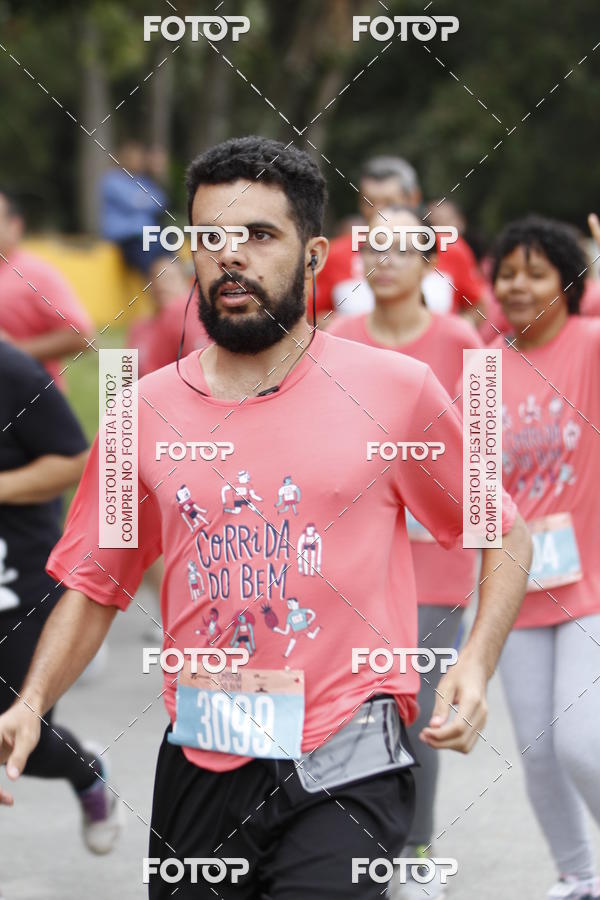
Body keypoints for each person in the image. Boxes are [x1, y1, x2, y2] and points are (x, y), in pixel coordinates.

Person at [0, 137, 531, 900]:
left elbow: (502, 530)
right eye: (211, 236)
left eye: (258, 234)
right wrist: (31, 703)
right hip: (204, 752)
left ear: (313, 255)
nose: (231, 255)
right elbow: (95, 583)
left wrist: (474, 663)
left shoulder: (397, 390)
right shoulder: (137, 412)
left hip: (350, 746)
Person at [329, 205, 483, 899]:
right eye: (374, 248)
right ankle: (358, 847)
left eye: (400, 249)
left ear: (429, 264)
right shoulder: (338, 338)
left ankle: (416, 848)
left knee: (415, 709)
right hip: (355, 562)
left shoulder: (464, 343)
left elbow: (484, 456)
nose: (383, 261)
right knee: (355, 709)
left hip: (436, 565)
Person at [491, 214, 600, 900]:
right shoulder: (483, 370)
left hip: (593, 583)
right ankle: (578, 876)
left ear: (568, 283)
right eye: (507, 274)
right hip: (518, 588)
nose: (518, 286)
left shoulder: (591, 343)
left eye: (536, 273)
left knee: (581, 743)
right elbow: (475, 489)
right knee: (536, 752)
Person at [0, 339, 122, 874]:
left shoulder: (13, 372)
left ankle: (86, 772)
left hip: (18, 589)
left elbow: (77, 459)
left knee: (15, 737)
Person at [315, 156, 488, 325]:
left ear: (414, 198)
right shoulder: (335, 254)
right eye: (369, 202)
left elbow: (477, 307)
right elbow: (314, 315)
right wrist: (343, 330)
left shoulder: (449, 248)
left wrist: (450, 333)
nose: (379, 211)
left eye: (389, 202)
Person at [0, 189, 95, 390]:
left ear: (15, 226)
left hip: (29, 397)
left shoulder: (35, 273)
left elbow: (82, 335)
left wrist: (12, 352)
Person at [127, 257, 209, 379]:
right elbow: (124, 378)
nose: (162, 285)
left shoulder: (203, 325)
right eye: (156, 279)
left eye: (170, 279)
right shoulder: (139, 328)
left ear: (186, 284)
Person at [99, 141, 168, 275]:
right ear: (123, 157)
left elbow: (161, 202)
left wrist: (155, 175)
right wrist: (145, 200)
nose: (138, 160)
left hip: (148, 237)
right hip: (127, 239)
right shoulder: (112, 179)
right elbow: (131, 202)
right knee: (156, 263)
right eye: (134, 156)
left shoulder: (143, 181)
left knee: (169, 250)